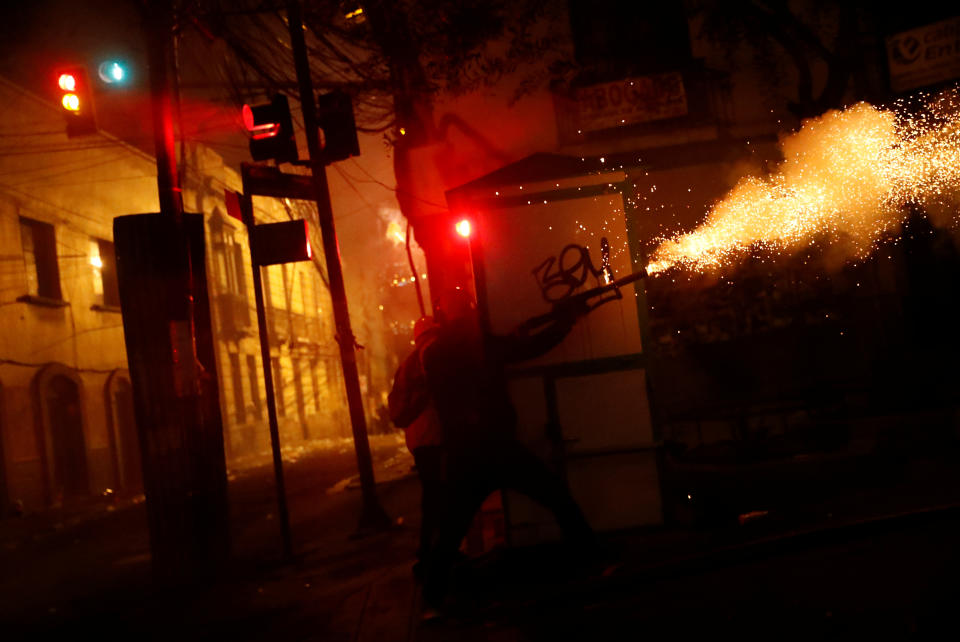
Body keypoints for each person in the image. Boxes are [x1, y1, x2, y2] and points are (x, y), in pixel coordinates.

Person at [420, 287, 598, 610]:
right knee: (556, 494)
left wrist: (531, 332)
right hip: (497, 449)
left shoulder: (436, 354)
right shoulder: (481, 345)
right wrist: (564, 322)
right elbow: (531, 347)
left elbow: (518, 346)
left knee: (449, 531)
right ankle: (591, 560)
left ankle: (432, 598)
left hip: (467, 456)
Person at [388, 315, 447, 580]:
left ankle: (431, 553)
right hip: (434, 436)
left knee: (433, 497)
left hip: (420, 439)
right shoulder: (432, 353)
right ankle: (432, 556)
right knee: (439, 498)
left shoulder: (408, 363)